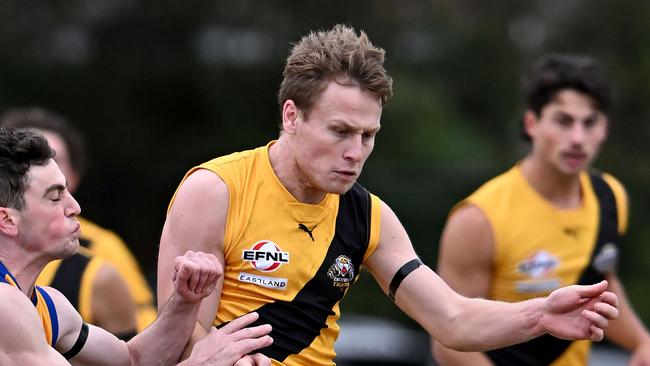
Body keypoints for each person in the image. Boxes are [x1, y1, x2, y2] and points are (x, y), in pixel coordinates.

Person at [156, 25, 620, 366]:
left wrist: (540, 313)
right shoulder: (216, 190)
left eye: (368, 135)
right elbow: (174, 337)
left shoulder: (368, 215)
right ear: (292, 116)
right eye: (340, 131)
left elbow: (453, 319)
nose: (355, 153)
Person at [431, 54, 650, 366]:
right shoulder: (479, 217)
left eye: (589, 123)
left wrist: (642, 342)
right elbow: (447, 341)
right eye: (563, 121)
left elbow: (603, 285)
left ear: (604, 128)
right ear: (532, 123)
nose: (577, 138)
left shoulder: (610, 197)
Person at [0, 126, 272, 365]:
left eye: (68, 192)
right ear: (7, 220)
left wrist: (185, 301)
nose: (75, 207)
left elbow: (133, 360)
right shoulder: (5, 305)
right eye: (55, 197)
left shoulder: (48, 305)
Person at [1, 107, 157, 334]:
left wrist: (182, 306)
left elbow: (134, 349)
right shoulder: (9, 299)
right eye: (26, 161)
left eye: (55, 158)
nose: (75, 208)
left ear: (73, 176)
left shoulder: (102, 252)